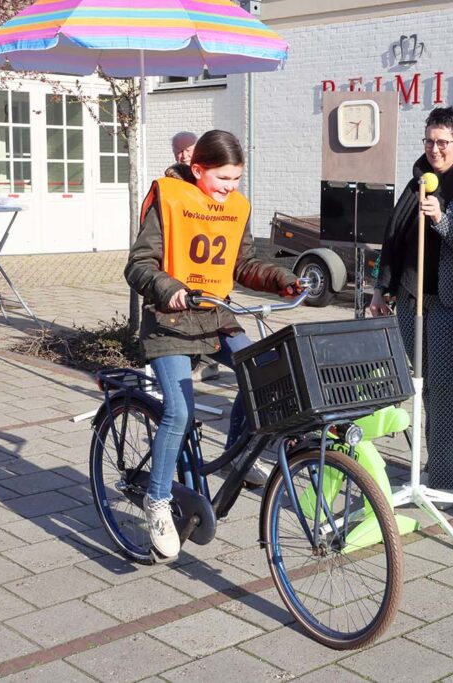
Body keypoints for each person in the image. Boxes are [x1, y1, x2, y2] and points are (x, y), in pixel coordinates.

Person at [125, 130, 300, 561]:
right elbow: (138, 265)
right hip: (170, 321)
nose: (230, 189)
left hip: (214, 316)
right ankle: (158, 501)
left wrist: (280, 278)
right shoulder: (168, 198)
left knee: (263, 374)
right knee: (180, 411)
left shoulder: (236, 206)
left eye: (237, 180)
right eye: (222, 179)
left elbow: (241, 264)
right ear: (198, 169)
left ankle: (238, 457)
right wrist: (168, 287)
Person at [369, 107, 453, 494]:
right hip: (411, 298)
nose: (434, 149)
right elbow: (393, 241)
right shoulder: (414, 185)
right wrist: (380, 288)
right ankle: (430, 466)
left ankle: (443, 479)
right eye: (429, 141)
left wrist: (441, 218)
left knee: (441, 386)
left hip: (452, 302)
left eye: (442, 142)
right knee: (421, 384)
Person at [169, 130, 221, 382]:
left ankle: (209, 361)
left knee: (212, 307)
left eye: (188, 149)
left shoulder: (212, 178)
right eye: (179, 150)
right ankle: (198, 360)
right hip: (185, 254)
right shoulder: (173, 181)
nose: (183, 154)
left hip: (210, 255)